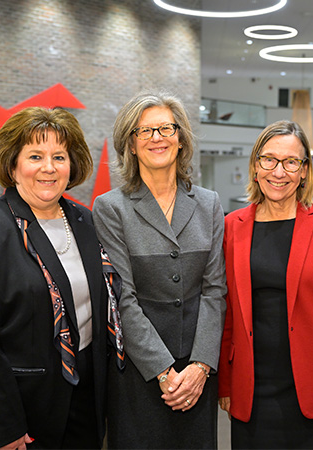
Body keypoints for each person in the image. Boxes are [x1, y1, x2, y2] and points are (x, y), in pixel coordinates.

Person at [0, 107, 116, 449]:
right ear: (13, 164)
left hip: (83, 405)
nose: (49, 168)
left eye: (59, 157)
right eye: (35, 156)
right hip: (18, 409)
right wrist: (2, 427)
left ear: (72, 164)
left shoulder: (86, 221)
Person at [218, 120, 313, 449]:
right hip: (255, 394)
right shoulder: (232, 227)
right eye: (269, 159)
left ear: (304, 171)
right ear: (255, 166)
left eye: (291, 162)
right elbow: (227, 313)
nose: (279, 171)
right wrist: (226, 386)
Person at [93, 91, 227, 449]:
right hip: (140, 371)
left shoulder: (209, 203)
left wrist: (201, 365)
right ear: (131, 145)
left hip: (198, 371)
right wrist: (164, 372)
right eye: (144, 131)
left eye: (166, 128)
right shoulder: (110, 208)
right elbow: (122, 299)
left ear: (181, 139)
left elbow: (215, 289)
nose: (157, 138)